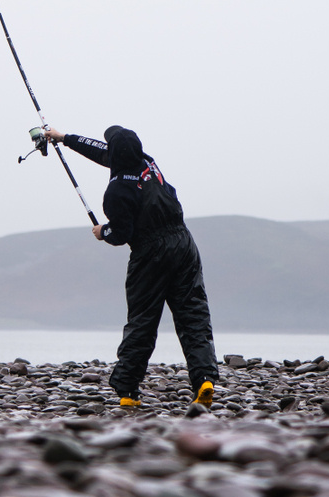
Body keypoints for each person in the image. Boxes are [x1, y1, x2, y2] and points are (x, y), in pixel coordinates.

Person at [44, 124, 219, 408]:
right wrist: (65, 139)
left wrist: (104, 232)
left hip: (151, 254)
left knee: (142, 321)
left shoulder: (116, 192)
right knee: (193, 317)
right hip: (184, 245)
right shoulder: (147, 161)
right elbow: (106, 153)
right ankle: (204, 381)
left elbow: (121, 234)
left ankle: (127, 391)